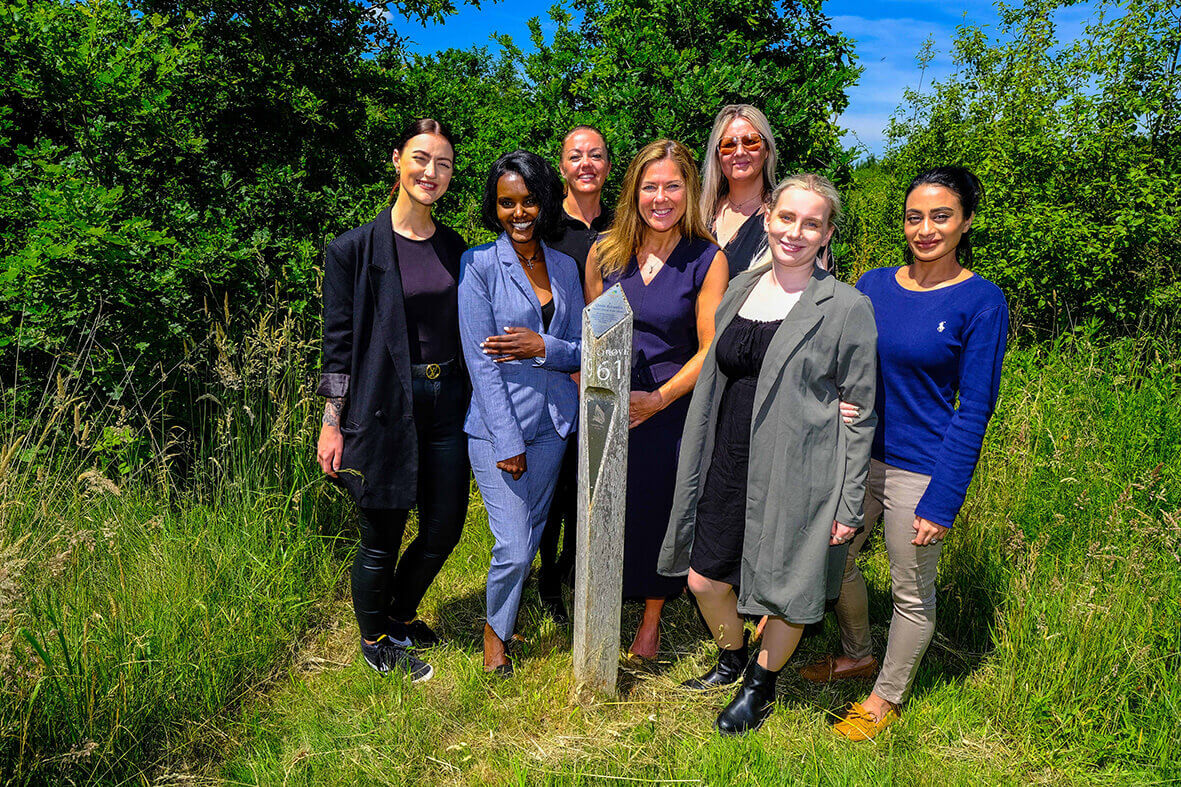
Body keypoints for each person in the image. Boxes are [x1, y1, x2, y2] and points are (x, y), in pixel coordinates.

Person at [659, 174, 878, 735]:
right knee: (705, 578)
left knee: (787, 586)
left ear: (827, 234)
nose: (796, 232)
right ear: (768, 219)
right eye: (787, 218)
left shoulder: (845, 307)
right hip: (729, 456)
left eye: (812, 223)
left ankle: (760, 685)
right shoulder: (740, 288)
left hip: (799, 469)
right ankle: (733, 655)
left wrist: (849, 504)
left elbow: (860, 410)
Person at [802, 166, 1009, 741]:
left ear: (965, 222)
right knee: (829, 563)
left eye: (941, 216)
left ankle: (885, 696)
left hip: (921, 468)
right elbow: (835, 363)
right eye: (915, 216)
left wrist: (942, 499)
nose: (925, 229)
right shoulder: (872, 285)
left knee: (910, 589)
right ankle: (857, 654)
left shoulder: (982, 301)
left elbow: (974, 409)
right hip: (854, 457)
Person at [316, 118, 469, 683]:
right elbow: (338, 346)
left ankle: (400, 615)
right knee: (382, 533)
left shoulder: (456, 248)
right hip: (383, 403)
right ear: (398, 161)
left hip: (447, 401)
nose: (432, 172)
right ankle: (375, 639)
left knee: (444, 526)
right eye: (422, 159)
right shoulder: (353, 250)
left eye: (444, 164)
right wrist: (332, 424)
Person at [585, 139, 729, 662]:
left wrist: (659, 400)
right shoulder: (605, 251)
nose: (661, 198)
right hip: (610, 404)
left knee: (657, 512)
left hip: (671, 408)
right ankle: (597, 606)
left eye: (673, 186)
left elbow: (711, 347)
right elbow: (593, 328)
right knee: (604, 509)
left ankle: (650, 621)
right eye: (651, 187)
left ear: (689, 190)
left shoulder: (706, 258)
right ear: (634, 191)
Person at [459, 150, 584, 676]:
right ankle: (494, 634)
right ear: (495, 207)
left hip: (553, 423)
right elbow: (479, 361)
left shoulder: (565, 267)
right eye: (507, 202)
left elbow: (582, 348)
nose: (519, 212)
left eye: (529, 200)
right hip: (497, 430)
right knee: (513, 543)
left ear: (544, 201)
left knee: (531, 532)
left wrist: (542, 348)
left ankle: (504, 621)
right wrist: (506, 438)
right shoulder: (479, 265)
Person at [537, 124, 614, 625]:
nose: (585, 164)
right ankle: (547, 577)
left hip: (608, 372)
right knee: (555, 485)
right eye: (575, 156)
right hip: (553, 374)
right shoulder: (543, 227)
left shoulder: (625, 226)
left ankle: (574, 566)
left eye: (596, 155)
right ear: (562, 166)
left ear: (608, 165)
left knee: (594, 481)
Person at [699, 105, 778, 279]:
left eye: (751, 141)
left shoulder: (783, 217)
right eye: (729, 145)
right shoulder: (698, 215)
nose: (740, 152)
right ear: (718, 155)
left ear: (767, 150)